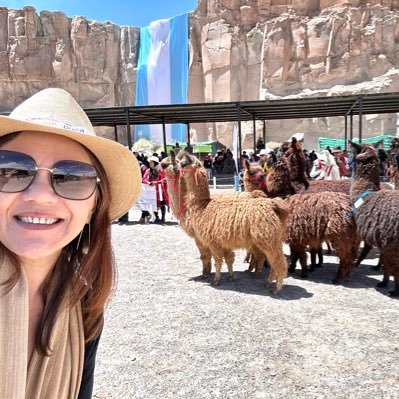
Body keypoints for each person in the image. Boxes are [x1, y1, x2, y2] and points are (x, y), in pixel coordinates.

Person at [0, 88, 141, 399]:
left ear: (94, 206)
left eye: (73, 177)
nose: (40, 194)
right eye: (10, 170)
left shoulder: (84, 309)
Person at [142, 156, 169, 223]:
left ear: (155, 163)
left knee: (162, 203)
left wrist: (156, 182)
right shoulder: (148, 171)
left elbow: (164, 179)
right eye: (150, 162)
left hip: (160, 189)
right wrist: (149, 182)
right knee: (154, 204)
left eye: (152, 162)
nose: (150, 164)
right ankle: (157, 218)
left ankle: (163, 218)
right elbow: (144, 179)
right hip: (152, 190)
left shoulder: (161, 171)